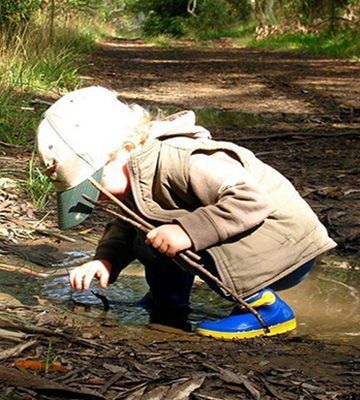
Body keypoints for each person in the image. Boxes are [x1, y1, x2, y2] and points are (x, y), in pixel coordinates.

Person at [36, 86, 336, 340]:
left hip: (285, 245)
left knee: (179, 232)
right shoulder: (136, 175)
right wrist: (107, 260)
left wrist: (187, 232)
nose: (96, 197)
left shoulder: (181, 159)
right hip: (260, 244)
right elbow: (127, 227)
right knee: (153, 234)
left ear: (124, 149)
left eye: (95, 182)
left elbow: (250, 200)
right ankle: (170, 302)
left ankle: (265, 308)